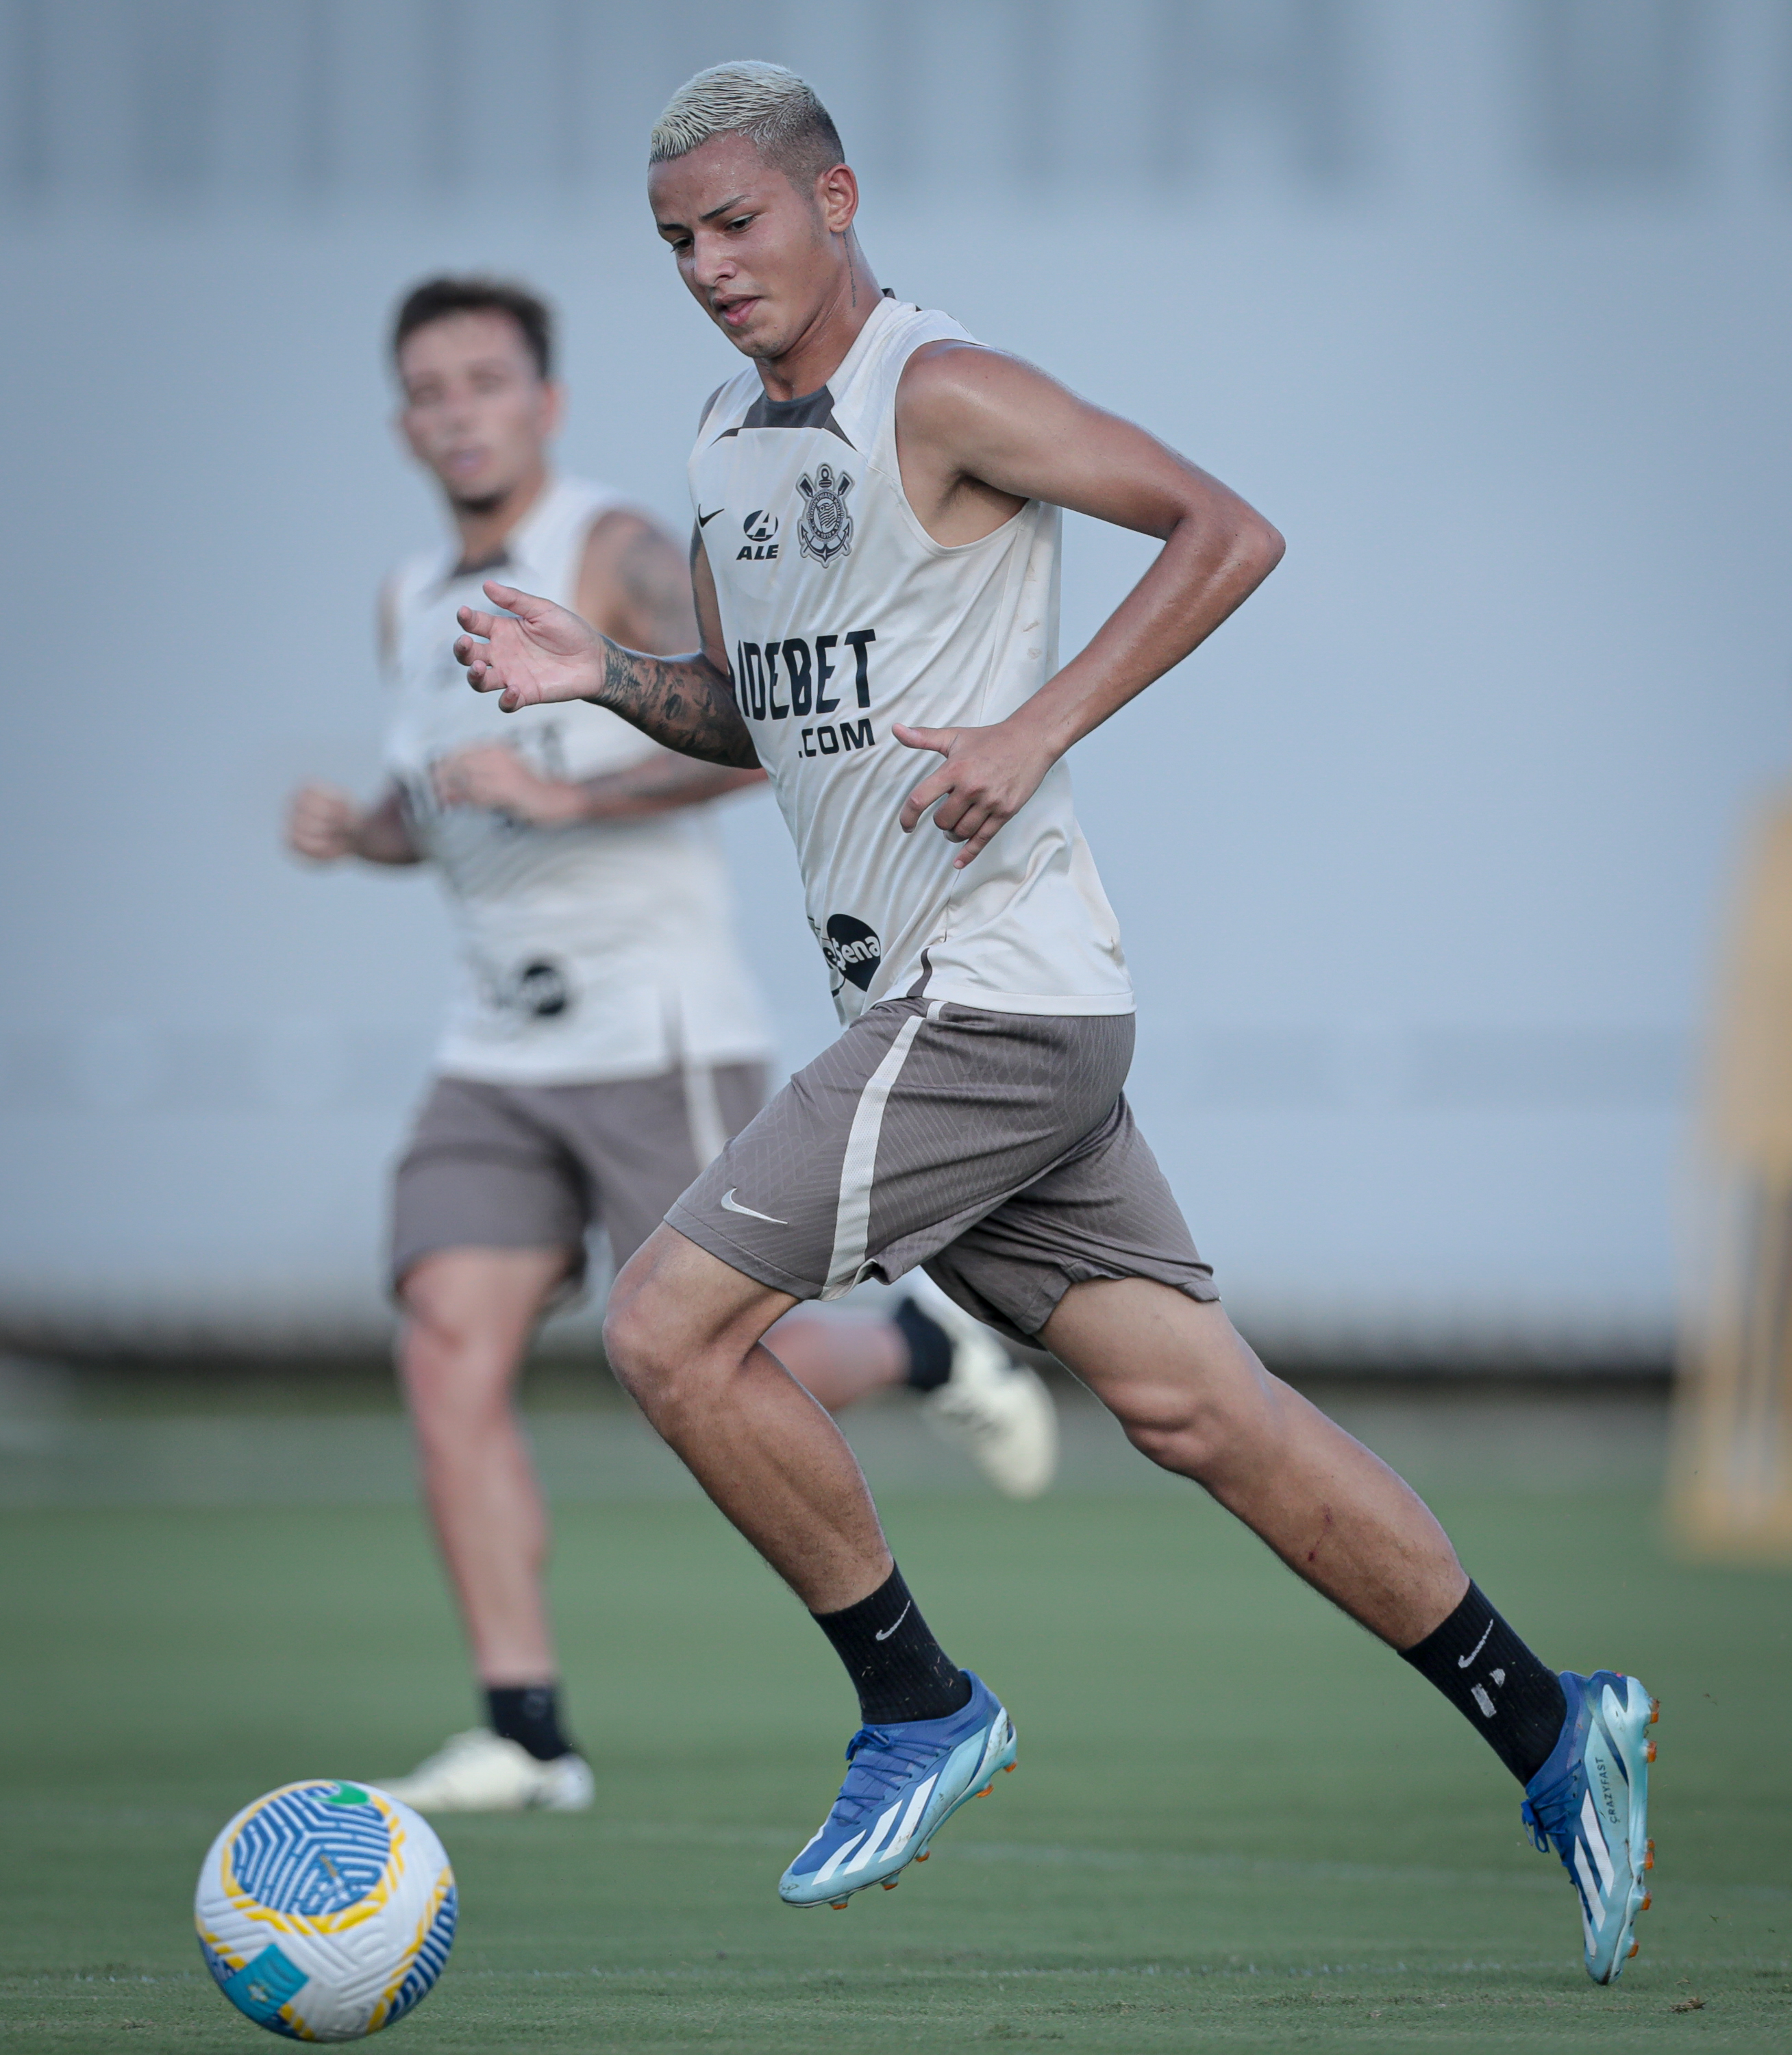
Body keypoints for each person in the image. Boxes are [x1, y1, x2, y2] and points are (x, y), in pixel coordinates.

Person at [448, 64, 1656, 1981]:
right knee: (1199, 1411)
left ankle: (918, 1702)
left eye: (737, 222)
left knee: (668, 1327)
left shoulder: (942, 390)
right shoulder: (727, 446)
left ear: (837, 200)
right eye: (675, 241)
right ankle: (1550, 1720)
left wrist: (1034, 727)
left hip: (992, 1001)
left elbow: (1224, 530)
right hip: (962, 1015)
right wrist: (601, 672)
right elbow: (762, 718)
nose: (708, 265)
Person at [284, 274, 1059, 1815]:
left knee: (714, 1354)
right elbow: (447, 803)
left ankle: (922, 1346)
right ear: (403, 424)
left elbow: (756, 727)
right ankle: (526, 1734)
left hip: (656, 1034)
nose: (459, 413)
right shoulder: (406, 598)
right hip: (496, 1045)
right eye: (430, 391)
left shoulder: (619, 551)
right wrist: (363, 833)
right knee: (445, 1345)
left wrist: (574, 796)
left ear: (545, 403)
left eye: (486, 382)